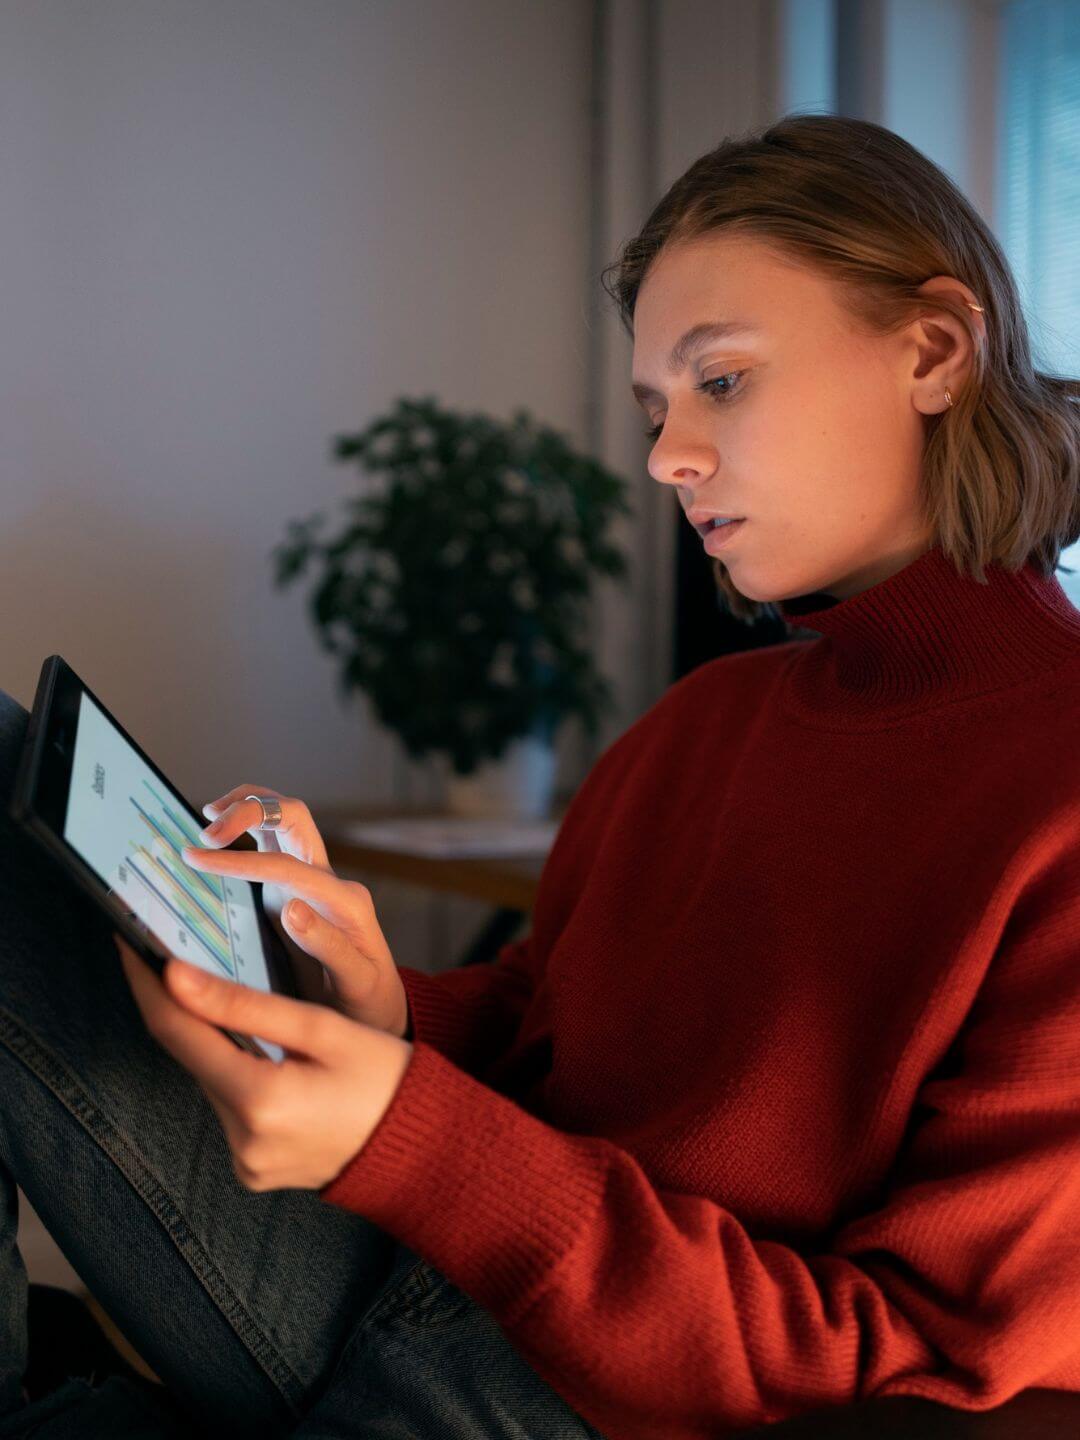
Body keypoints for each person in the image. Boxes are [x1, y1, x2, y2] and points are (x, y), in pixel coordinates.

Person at [3, 109, 1080, 1439]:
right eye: (655, 407)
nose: (666, 456)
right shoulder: (706, 723)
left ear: (932, 351)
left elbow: (907, 1366)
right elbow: (544, 1023)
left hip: (589, 1397)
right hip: (430, 1258)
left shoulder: (1056, 792)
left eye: (722, 381)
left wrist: (412, 1134)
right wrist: (380, 1002)